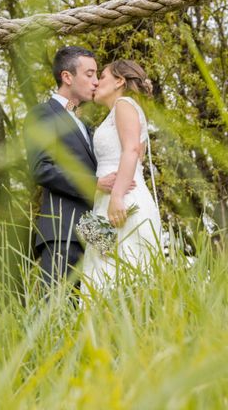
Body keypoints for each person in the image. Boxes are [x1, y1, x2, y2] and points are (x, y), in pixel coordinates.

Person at [23, 46, 132, 290]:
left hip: (95, 234)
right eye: (90, 74)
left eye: (97, 76)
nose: (95, 82)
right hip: (63, 232)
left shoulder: (84, 124)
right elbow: (41, 168)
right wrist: (94, 184)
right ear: (67, 76)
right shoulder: (43, 114)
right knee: (57, 310)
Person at [82, 59, 162, 291]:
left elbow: (132, 150)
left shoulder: (124, 104)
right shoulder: (117, 113)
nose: (96, 83)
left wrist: (116, 197)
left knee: (122, 269)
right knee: (107, 272)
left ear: (120, 81)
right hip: (108, 202)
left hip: (122, 200)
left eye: (103, 77)